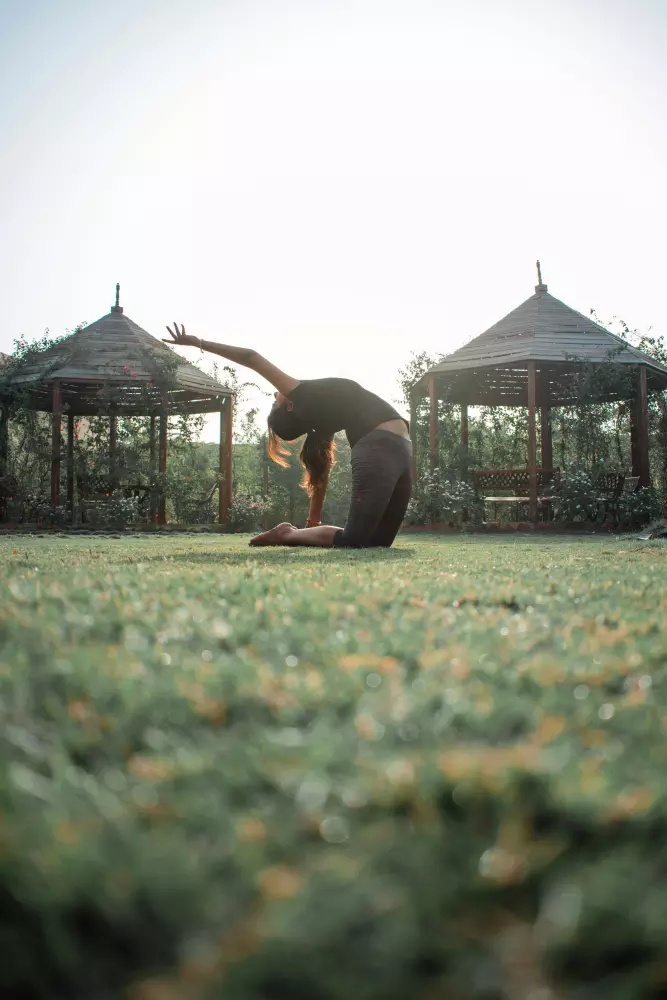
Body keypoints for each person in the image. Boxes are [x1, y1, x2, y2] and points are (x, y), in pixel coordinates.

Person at [164, 324, 413, 548]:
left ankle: (296, 534)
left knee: (379, 543)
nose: (275, 396)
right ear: (290, 406)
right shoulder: (301, 395)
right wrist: (199, 343)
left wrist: (312, 524)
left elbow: (320, 472)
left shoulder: (323, 417)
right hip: (378, 447)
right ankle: (285, 534)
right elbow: (251, 357)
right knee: (355, 541)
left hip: (401, 449)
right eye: (276, 403)